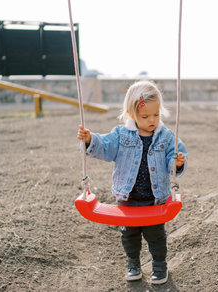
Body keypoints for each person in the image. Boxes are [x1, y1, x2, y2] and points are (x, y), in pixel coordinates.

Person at [77, 81, 188, 284]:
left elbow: (172, 158)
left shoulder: (166, 137)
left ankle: (159, 265)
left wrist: (177, 162)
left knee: (156, 237)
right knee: (129, 236)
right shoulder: (121, 135)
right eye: (145, 117)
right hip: (128, 198)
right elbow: (105, 146)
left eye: (156, 115)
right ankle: (133, 263)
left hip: (155, 200)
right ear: (131, 114)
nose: (152, 120)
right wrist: (89, 139)